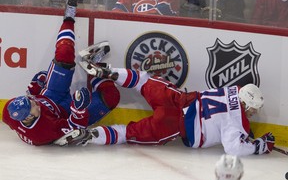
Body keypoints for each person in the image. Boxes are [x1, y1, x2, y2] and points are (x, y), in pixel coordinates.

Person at [76, 64, 275, 156]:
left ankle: (109, 72)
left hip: (177, 100)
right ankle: (91, 135)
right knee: (127, 133)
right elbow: (234, 148)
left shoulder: (232, 90)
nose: (253, 113)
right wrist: (260, 146)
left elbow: (229, 113)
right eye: (253, 109)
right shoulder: (237, 122)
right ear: (245, 104)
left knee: (143, 80)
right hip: (173, 126)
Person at [1, 0, 120, 146]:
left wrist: (35, 88)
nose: (34, 102)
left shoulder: (9, 111)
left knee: (64, 54)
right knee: (112, 96)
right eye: (32, 105)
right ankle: (94, 69)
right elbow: (76, 129)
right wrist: (78, 109)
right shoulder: (43, 132)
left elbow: (31, 96)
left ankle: (68, 19)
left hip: (51, 94)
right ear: (28, 118)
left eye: (30, 101)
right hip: (68, 113)